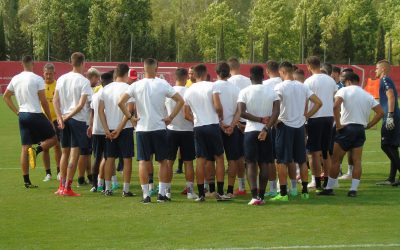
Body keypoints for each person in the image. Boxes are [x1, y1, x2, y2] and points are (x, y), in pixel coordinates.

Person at [119, 58, 184, 203]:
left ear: (143, 69)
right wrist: (171, 117)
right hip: (159, 127)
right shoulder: (162, 84)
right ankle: (161, 194)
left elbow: (120, 102)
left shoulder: (136, 85)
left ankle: (146, 195)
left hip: (143, 128)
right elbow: (180, 100)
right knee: (163, 161)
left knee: (143, 161)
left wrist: (131, 117)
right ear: (156, 68)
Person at [318, 72, 383, 197]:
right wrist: (369, 125)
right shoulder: (367, 94)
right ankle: (353, 190)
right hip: (360, 129)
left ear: (348, 81)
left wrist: (338, 125)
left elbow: (335, 106)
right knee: (357, 160)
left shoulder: (344, 91)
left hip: (346, 128)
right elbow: (380, 112)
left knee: (335, 160)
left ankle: (329, 188)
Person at [3, 56, 57, 188]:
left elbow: (6, 96)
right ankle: (37, 150)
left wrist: (17, 111)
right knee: (54, 138)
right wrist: (50, 120)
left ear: (22, 64)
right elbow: (44, 101)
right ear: (33, 64)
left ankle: (26, 181)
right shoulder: (37, 79)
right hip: (35, 113)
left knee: (24, 148)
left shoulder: (15, 78)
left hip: (23, 115)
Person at [272, 61, 322, 201]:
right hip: (300, 127)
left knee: (281, 161)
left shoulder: (280, 87)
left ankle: (283, 193)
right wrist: (307, 114)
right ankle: (305, 191)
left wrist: (275, 120)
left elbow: (274, 106)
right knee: (301, 160)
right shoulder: (302, 86)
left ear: (282, 72)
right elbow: (319, 102)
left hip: (285, 125)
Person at [184, 64, 231, 202]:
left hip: (199, 127)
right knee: (219, 157)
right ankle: (220, 192)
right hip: (212, 124)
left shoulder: (189, 90)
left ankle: (201, 194)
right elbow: (217, 106)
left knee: (200, 160)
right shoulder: (212, 86)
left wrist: (196, 119)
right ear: (205, 74)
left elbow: (186, 114)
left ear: (195, 74)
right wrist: (220, 117)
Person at [237, 65, 280, 205]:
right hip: (265, 131)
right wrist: (266, 127)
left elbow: (241, 112)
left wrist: (258, 120)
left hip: (250, 130)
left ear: (250, 77)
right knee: (265, 163)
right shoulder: (272, 91)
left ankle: (254, 196)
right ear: (263, 77)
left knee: (250, 163)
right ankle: (261, 196)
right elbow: (276, 112)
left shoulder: (244, 91)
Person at [53, 52, 92, 196]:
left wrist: (60, 117)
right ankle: (68, 187)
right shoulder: (84, 81)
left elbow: (55, 100)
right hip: (77, 120)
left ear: (71, 62)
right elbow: (82, 104)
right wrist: (68, 116)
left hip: (64, 118)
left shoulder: (62, 78)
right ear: (83, 63)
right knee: (74, 154)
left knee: (64, 152)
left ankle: (61, 186)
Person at [98, 64, 136, 197]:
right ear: (126, 74)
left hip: (110, 128)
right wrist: (120, 128)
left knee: (110, 158)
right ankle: (125, 189)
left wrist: (106, 129)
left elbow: (100, 111)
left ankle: (108, 188)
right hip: (124, 128)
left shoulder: (106, 88)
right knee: (126, 158)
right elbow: (130, 111)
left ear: (115, 74)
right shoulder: (129, 88)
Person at [304, 56, 337, 191]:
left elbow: (305, 101)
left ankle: (317, 181)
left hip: (315, 117)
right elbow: (334, 97)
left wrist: (306, 115)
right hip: (328, 117)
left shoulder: (308, 81)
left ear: (308, 66)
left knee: (313, 152)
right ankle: (327, 182)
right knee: (325, 152)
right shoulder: (330, 80)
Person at [165, 68, 198, 199]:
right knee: (188, 162)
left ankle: (167, 191)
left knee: (169, 162)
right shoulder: (189, 92)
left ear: (175, 77)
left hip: (171, 130)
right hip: (187, 130)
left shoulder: (169, 92)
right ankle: (190, 191)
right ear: (186, 78)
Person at [212, 62, 241, 198]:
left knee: (218, 158)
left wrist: (221, 122)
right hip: (231, 127)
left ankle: (219, 189)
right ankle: (229, 190)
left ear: (216, 73)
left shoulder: (215, 86)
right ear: (229, 72)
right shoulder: (236, 89)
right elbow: (238, 110)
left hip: (219, 126)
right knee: (232, 159)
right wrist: (233, 125)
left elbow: (217, 107)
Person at [227, 57, 251, 196]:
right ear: (239, 66)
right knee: (248, 158)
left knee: (236, 157)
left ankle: (241, 187)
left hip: (235, 122)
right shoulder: (248, 80)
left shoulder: (229, 82)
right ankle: (250, 186)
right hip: (249, 120)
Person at [375, 60, 400, 186]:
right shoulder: (387, 80)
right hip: (393, 115)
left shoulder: (385, 79)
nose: (375, 71)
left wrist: (390, 115)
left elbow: (391, 96)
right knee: (393, 146)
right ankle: (391, 178)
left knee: (385, 145)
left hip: (391, 116)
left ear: (383, 70)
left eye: (377, 68)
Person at [88, 71, 113, 192]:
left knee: (97, 158)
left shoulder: (96, 94)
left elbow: (92, 112)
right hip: (107, 129)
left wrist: (90, 126)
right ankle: (103, 184)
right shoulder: (110, 94)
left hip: (96, 129)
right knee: (107, 158)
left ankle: (94, 185)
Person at [262, 60, 282, 197]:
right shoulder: (284, 82)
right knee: (284, 158)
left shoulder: (265, 85)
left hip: (270, 122)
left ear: (267, 71)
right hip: (285, 122)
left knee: (270, 158)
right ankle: (286, 186)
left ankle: (273, 187)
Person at [41, 63, 62, 182]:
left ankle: (59, 171)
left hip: (56, 120)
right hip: (43, 120)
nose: (48, 76)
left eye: (50, 74)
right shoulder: (40, 86)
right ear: (43, 73)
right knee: (45, 147)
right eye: (46, 74)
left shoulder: (58, 85)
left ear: (54, 73)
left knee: (57, 146)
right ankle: (48, 173)